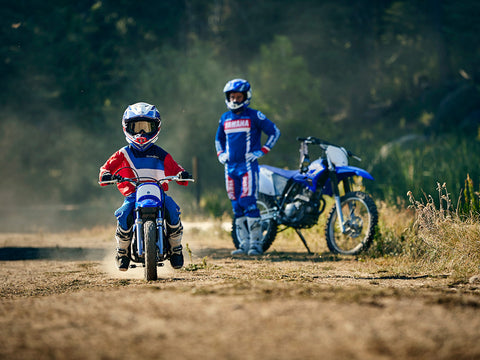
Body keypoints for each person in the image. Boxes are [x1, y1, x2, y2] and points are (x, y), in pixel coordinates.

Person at [99, 102, 191, 271]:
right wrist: (105, 175)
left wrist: (182, 174)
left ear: (156, 128)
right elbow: (106, 168)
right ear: (127, 127)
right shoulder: (123, 153)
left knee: (172, 210)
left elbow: (176, 168)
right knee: (124, 213)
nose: (141, 133)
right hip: (134, 194)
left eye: (147, 127)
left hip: (158, 193)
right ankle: (122, 252)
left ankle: (176, 249)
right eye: (136, 127)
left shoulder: (161, 154)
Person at [215, 79, 280, 255]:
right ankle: (243, 245)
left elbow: (274, 131)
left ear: (246, 96)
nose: (235, 100)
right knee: (236, 205)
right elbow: (218, 139)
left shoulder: (254, 115)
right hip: (229, 168)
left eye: (238, 96)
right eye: (232, 96)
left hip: (248, 167)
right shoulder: (224, 118)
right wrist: (221, 154)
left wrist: (263, 150)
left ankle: (256, 245)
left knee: (248, 203)